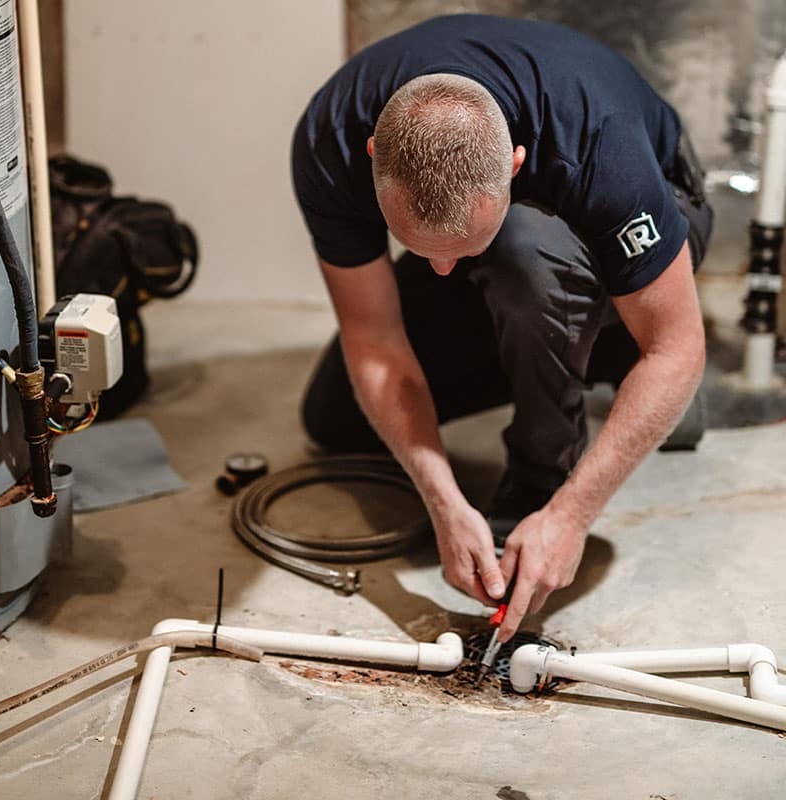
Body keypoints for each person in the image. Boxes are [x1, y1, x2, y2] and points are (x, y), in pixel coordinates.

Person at [291, 14, 713, 642]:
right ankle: (593, 348)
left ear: (516, 164)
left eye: (459, 245)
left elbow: (678, 348)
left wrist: (570, 515)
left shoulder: (599, 145)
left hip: (656, 205)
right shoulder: (332, 139)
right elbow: (375, 340)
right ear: (376, 156)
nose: (437, 270)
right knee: (337, 420)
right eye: (420, 245)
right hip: (507, 247)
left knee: (527, 256)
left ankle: (552, 466)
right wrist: (444, 498)